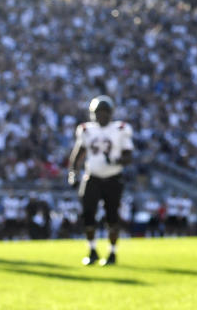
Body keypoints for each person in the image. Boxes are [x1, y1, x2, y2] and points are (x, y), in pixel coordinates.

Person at [67, 95, 134, 266]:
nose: (101, 116)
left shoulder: (120, 129)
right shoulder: (86, 130)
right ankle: (92, 250)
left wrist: (116, 161)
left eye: (105, 112)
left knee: (112, 217)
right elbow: (78, 154)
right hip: (93, 176)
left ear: (111, 113)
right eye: (99, 112)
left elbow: (128, 156)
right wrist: (73, 173)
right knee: (88, 214)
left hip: (113, 177)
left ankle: (112, 252)